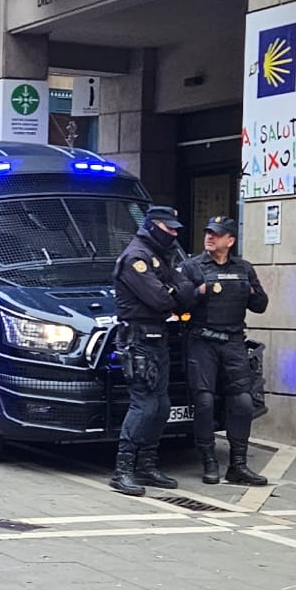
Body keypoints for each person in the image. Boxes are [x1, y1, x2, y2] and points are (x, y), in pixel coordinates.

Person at [110, 202, 196, 497]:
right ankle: (123, 471)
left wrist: (174, 290)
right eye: (168, 229)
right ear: (152, 226)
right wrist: (174, 290)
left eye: (175, 229)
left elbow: (185, 293)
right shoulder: (137, 258)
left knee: (161, 405)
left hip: (157, 337)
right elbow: (163, 300)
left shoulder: (161, 255)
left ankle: (147, 464)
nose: (173, 234)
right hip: (138, 339)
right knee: (144, 404)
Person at [179, 215, 270, 487]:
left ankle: (238, 465)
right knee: (205, 403)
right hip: (202, 341)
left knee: (242, 402)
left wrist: (249, 291)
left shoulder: (244, 268)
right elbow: (178, 304)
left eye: (216, 234)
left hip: (232, 341)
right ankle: (209, 461)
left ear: (230, 241)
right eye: (208, 232)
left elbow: (261, 305)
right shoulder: (192, 267)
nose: (210, 237)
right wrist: (200, 291)